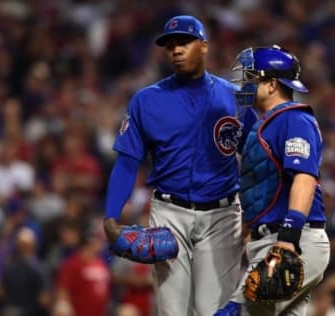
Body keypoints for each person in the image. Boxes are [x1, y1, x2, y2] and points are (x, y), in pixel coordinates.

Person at [103, 15, 249, 316]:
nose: (176, 50)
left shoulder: (235, 97)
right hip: (169, 215)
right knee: (172, 311)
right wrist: (110, 216)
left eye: (184, 42)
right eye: (170, 45)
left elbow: (257, 157)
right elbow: (128, 162)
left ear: (205, 46)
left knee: (215, 311)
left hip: (222, 215)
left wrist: (257, 212)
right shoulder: (146, 100)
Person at [215, 45, 330, 316]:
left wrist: (288, 238)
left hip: (293, 240)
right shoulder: (265, 123)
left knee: (233, 312)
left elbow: (304, 178)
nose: (244, 85)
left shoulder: (295, 119)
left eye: (251, 79)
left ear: (270, 84)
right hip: (271, 239)